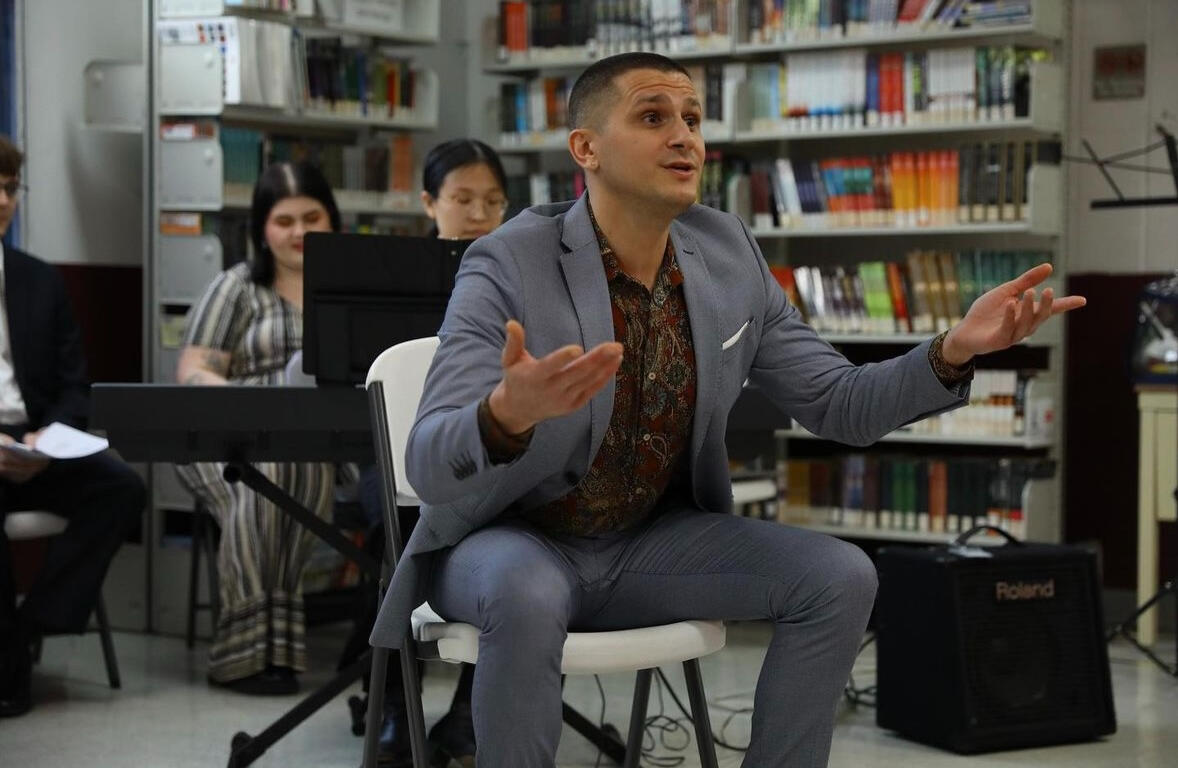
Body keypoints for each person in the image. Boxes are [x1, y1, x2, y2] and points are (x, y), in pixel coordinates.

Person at [367, 53, 1087, 768]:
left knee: (840, 576)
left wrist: (953, 350)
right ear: (585, 149)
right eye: (653, 117)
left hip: (649, 546)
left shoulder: (728, 252)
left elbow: (840, 405)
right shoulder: (507, 260)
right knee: (524, 593)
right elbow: (430, 462)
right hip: (510, 540)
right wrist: (502, 417)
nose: (684, 136)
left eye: (692, 119)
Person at [356, 138, 509, 768]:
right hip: (393, 459)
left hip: (483, 458)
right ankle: (395, 707)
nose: (479, 214)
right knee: (392, 532)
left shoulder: (514, 271)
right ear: (429, 203)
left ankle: (475, 715)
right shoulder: (390, 279)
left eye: (494, 201)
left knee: (510, 534)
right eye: (463, 199)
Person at [175, 161, 343, 695]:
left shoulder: (344, 289)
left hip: (315, 442)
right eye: (284, 220)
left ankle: (270, 650)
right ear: (262, 230)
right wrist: (242, 405)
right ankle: (244, 653)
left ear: (332, 221)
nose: (299, 232)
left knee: (294, 469)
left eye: (312, 217)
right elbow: (193, 370)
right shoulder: (237, 288)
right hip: (225, 436)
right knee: (259, 478)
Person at [0, 135, 146, 717]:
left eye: (10, 188)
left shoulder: (39, 280)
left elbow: (71, 384)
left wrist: (46, 437)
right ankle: (8, 670)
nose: (3, 200)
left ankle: (34, 623)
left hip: (33, 444)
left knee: (121, 488)